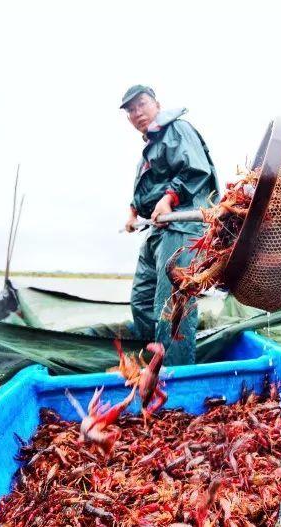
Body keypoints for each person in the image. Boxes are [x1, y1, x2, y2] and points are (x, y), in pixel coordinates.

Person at [121, 85, 218, 366]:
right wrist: (132, 212)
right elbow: (146, 189)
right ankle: (151, 363)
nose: (137, 113)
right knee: (141, 301)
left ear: (157, 104)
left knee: (172, 305)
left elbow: (196, 169)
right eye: (130, 110)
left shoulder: (177, 129)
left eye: (141, 105)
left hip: (183, 227)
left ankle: (174, 376)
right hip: (158, 230)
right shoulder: (149, 148)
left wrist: (170, 197)